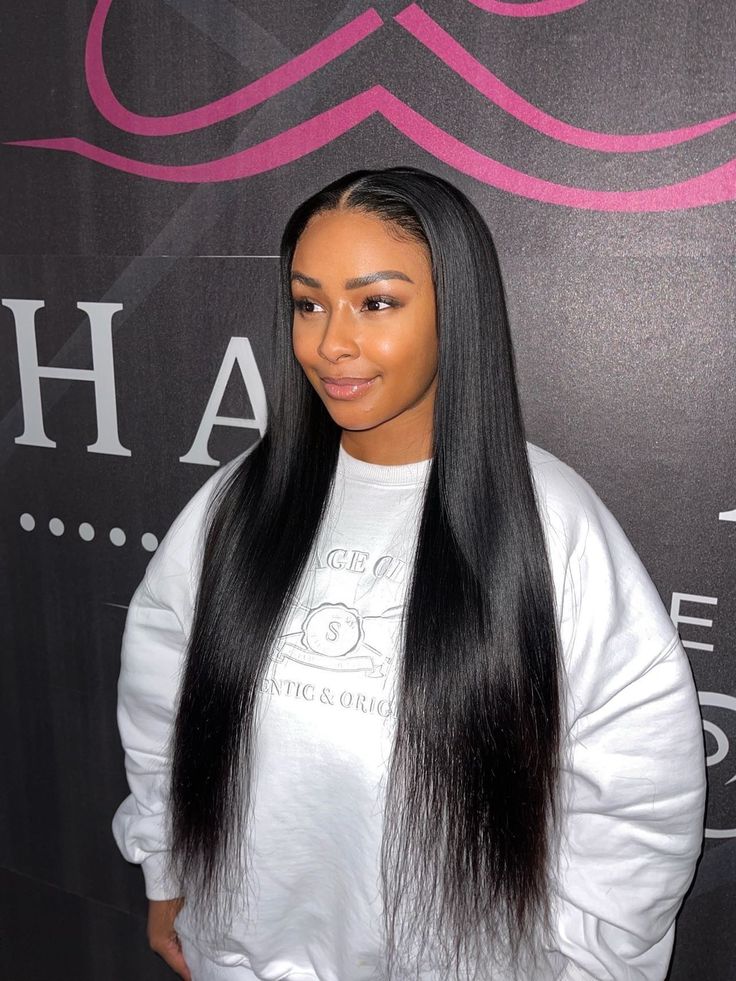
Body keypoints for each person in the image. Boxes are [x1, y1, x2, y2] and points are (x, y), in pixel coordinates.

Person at [112, 166, 706, 981]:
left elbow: (638, 790)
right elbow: (161, 700)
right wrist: (168, 865)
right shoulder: (239, 503)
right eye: (308, 302)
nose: (330, 342)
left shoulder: (550, 525)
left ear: (453, 311)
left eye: (376, 303)